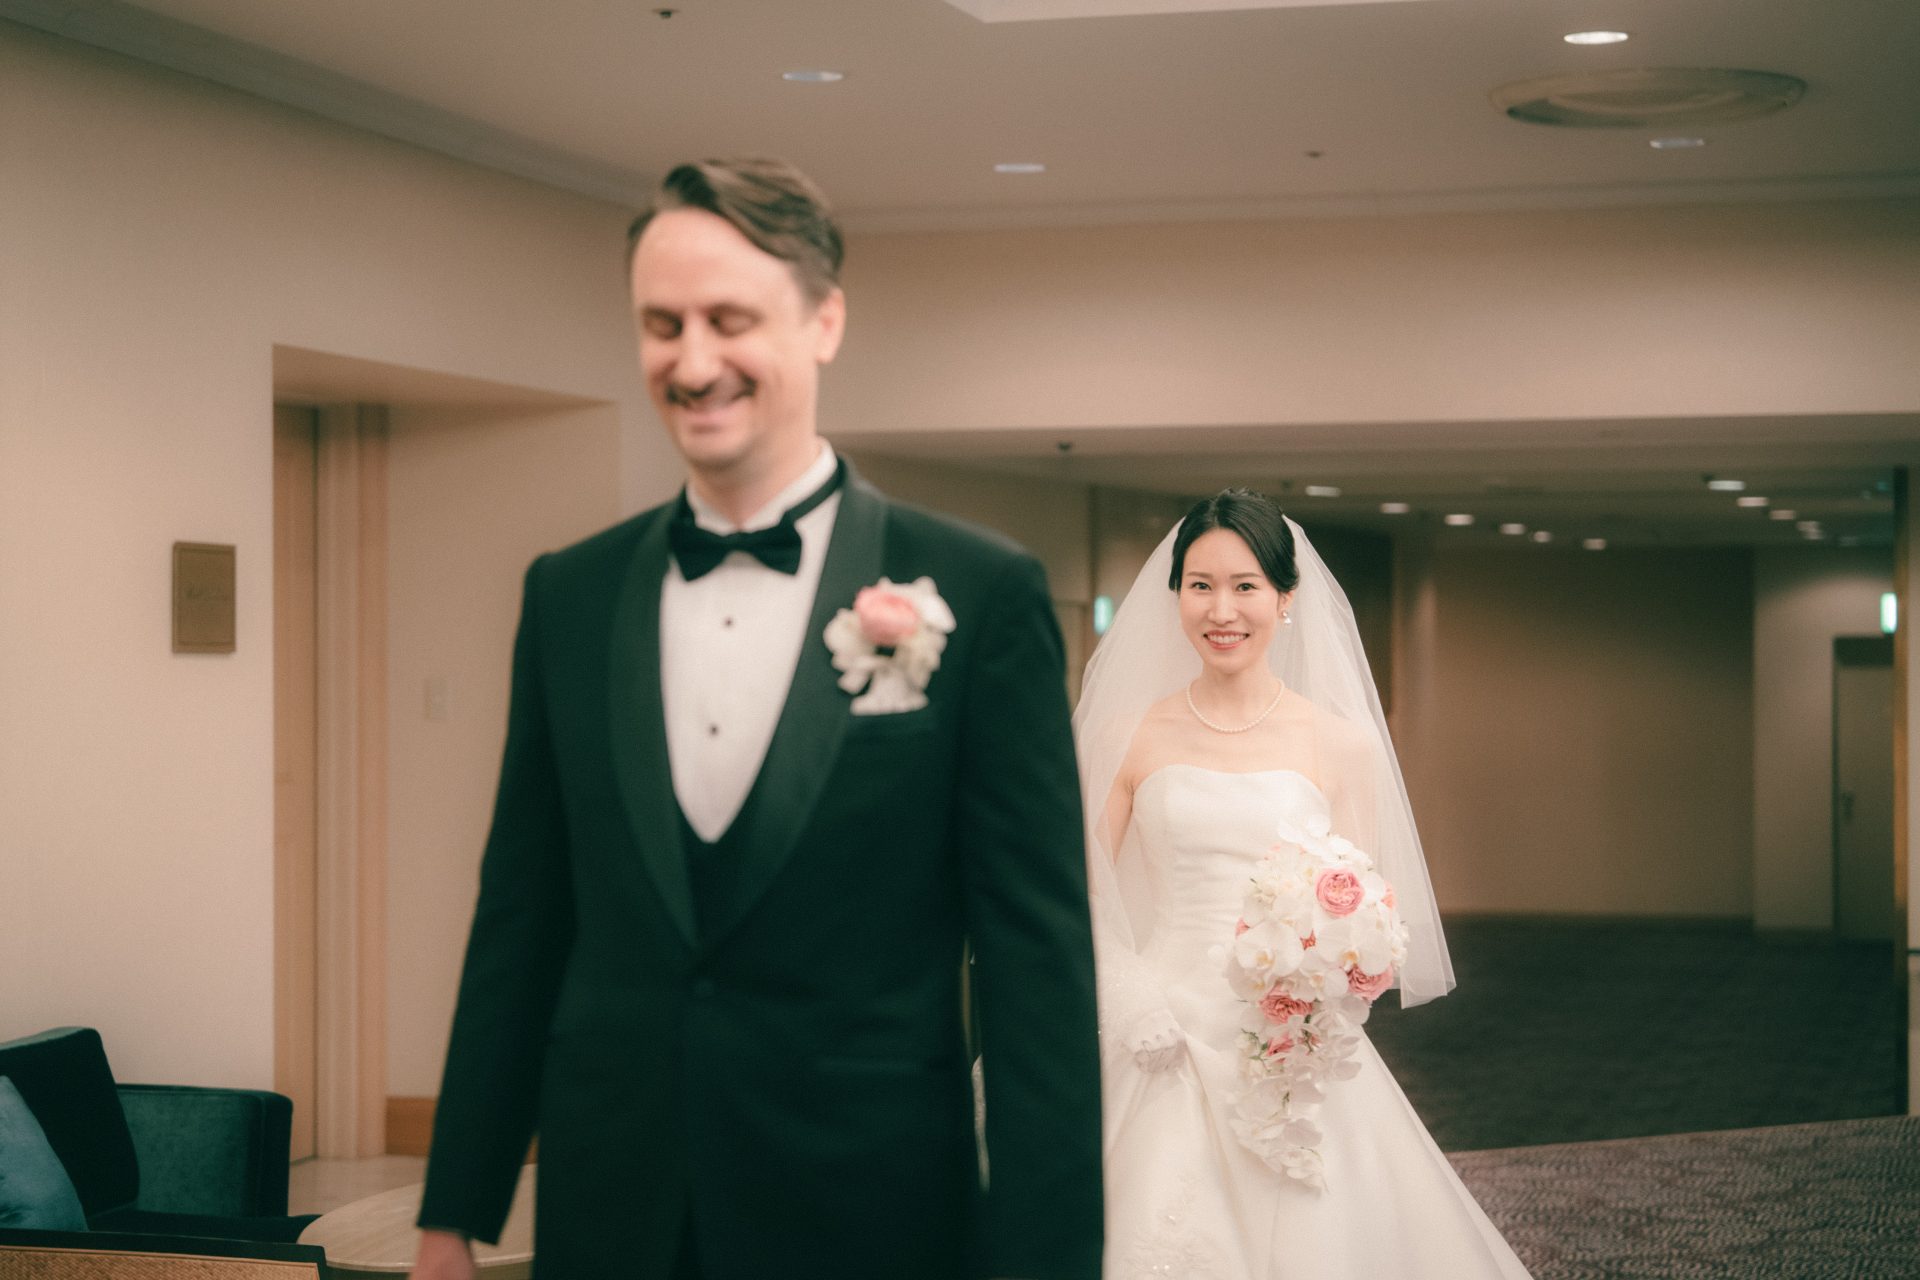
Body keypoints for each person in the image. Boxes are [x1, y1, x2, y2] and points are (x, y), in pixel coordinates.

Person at [410, 158, 1104, 1280]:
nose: (693, 363)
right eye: (662, 325)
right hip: (612, 1211)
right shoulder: (569, 593)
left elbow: (1037, 967)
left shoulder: (981, 593)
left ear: (825, 321)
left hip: (869, 1212)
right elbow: (521, 918)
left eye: (729, 320)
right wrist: (453, 1214)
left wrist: (1047, 1261)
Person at [1077, 489, 1531, 1279]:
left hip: (1288, 1040)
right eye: (1200, 585)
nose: (1222, 609)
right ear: (1175, 595)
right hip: (1160, 1029)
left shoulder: (1342, 745)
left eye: (1246, 585)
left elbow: (1360, 903)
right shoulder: (1129, 735)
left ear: (1286, 598)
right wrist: (1130, 998)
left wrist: (1323, 994)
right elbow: (1074, 889)